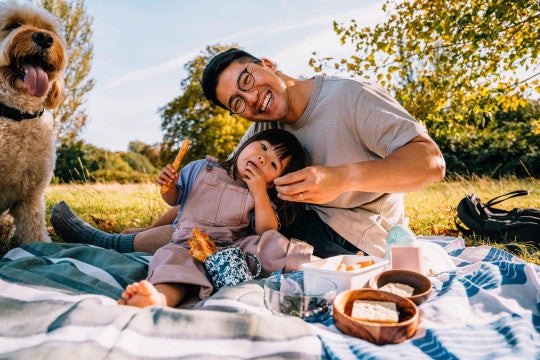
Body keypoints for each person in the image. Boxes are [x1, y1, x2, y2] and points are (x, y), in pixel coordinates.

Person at [52, 48, 446, 259]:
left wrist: (342, 178)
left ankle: (107, 244)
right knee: (215, 211)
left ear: (268, 64)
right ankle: (128, 239)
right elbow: (212, 187)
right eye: (237, 103)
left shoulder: (350, 96)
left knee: (219, 233)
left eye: (248, 80)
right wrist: (153, 217)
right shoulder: (263, 127)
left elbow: (430, 164)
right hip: (292, 220)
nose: (252, 100)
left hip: (353, 234)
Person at [53, 129, 316, 308]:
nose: (262, 158)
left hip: (230, 250)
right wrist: (168, 187)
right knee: (175, 263)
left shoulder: (261, 194)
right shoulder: (203, 168)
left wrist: (258, 192)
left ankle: (314, 268)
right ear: (246, 144)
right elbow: (176, 200)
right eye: (263, 147)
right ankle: (158, 298)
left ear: (274, 182)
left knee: (273, 244)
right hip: (186, 243)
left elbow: (265, 230)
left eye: (273, 164)